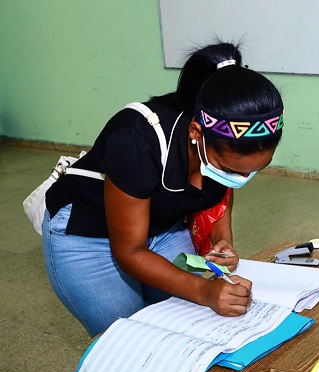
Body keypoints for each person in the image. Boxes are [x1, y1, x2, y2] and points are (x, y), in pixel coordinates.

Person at [42, 42, 285, 337]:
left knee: (189, 328)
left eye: (254, 171)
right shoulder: (135, 140)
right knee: (130, 338)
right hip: (90, 236)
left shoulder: (218, 148)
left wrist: (222, 238)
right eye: (232, 171)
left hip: (163, 227)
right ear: (196, 133)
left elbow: (221, 189)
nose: (242, 179)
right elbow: (130, 251)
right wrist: (206, 291)